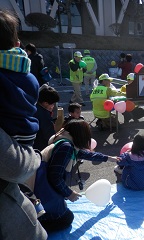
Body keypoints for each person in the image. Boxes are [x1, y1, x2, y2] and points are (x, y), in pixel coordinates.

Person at [0, 9, 47, 240]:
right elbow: (16, 166)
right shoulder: (27, 72)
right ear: (17, 44)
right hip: (26, 137)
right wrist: (36, 156)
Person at [34, 119, 118, 232]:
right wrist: (69, 193)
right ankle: (34, 228)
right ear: (81, 135)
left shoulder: (65, 141)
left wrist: (109, 158)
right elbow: (55, 176)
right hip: (44, 191)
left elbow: (87, 154)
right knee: (67, 219)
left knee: (64, 212)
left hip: (42, 187)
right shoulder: (66, 148)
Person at [33, 84, 61, 151]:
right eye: (52, 104)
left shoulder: (34, 108)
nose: (53, 106)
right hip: (40, 149)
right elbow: (50, 136)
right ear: (45, 103)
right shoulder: (44, 116)